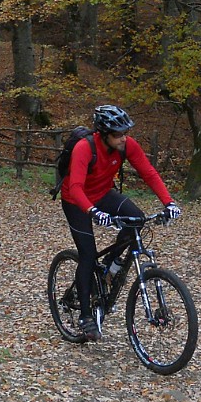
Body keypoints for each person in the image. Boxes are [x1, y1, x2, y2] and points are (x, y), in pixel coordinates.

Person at [60, 104, 181, 341]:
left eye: (125, 132)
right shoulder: (85, 148)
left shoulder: (127, 145)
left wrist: (169, 203)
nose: (124, 138)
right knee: (87, 254)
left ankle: (111, 266)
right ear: (104, 134)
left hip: (103, 193)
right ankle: (85, 317)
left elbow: (149, 173)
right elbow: (75, 187)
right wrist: (93, 211)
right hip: (76, 201)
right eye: (118, 134)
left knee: (136, 220)